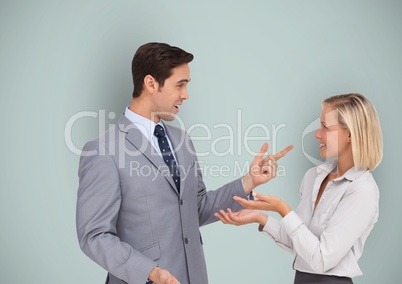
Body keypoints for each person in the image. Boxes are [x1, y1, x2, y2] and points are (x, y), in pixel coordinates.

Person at [76, 42, 293, 284]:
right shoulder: (103, 151)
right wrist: (149, 271)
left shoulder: (181, 140)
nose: (185, 95)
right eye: (180, 85)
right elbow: (94, 236)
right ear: (150, 84)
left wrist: (248, 181)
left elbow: (195, 208)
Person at [215, 93, 383, 283]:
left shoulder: (362, 190)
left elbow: (321, 259)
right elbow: (302, 244)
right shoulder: (313, 177)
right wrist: (259, 217)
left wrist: (283, 210)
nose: (317, 134)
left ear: (350, 134)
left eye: (325, 127)